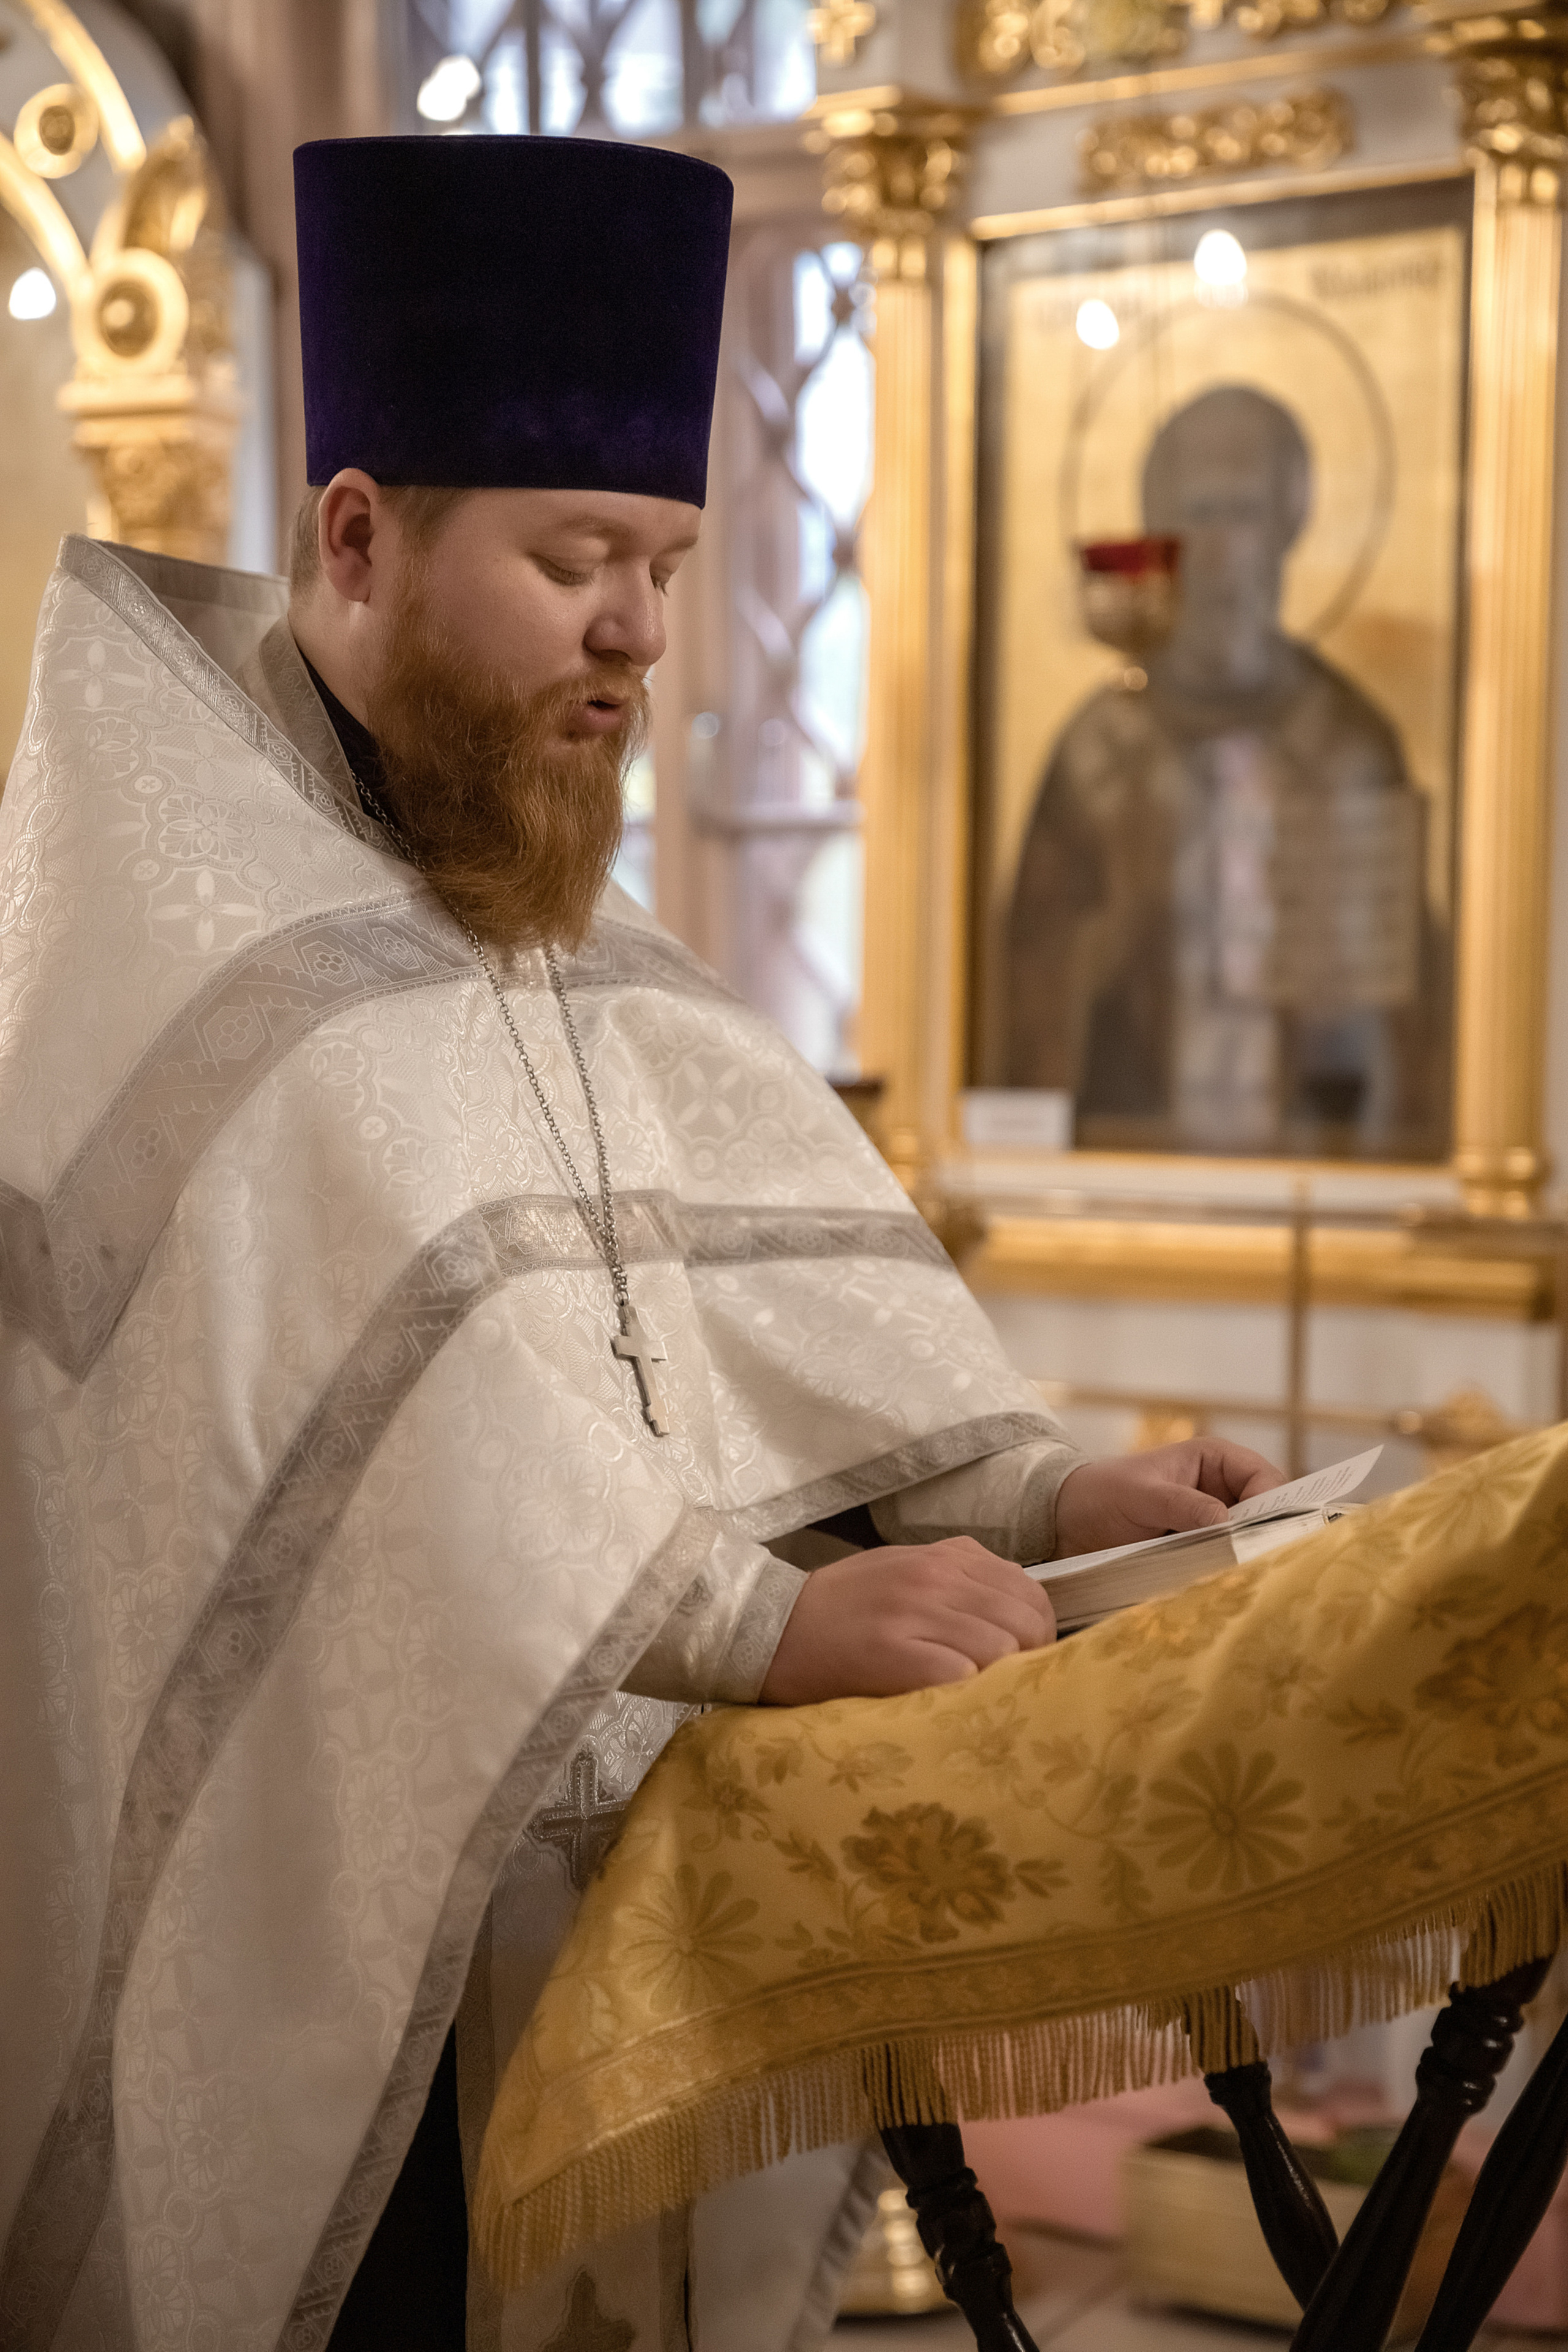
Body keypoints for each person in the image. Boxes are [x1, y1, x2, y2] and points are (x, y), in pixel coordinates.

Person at [0, 136, 1280, 2351]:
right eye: (574, 556)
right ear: (356, 535)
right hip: (315, 1942)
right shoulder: (181, 959)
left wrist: (1049, 1489)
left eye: (667, 565)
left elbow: (754, 1311)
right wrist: (750, 1622)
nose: (635, 632)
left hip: (590, 1929)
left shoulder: (544, 913)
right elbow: (344, 1431)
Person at [1006, 384, 1447, 1159]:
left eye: (1240, 512)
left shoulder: (1349, 743)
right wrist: (1120, 926)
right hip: (1128, 1159)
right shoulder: (1095, 754)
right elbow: (1026, 1002)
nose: (1215, 550)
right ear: (1156, 534)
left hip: (1310, 1160)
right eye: (1194, 514)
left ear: (1287, 525)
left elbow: (1405, 1021)